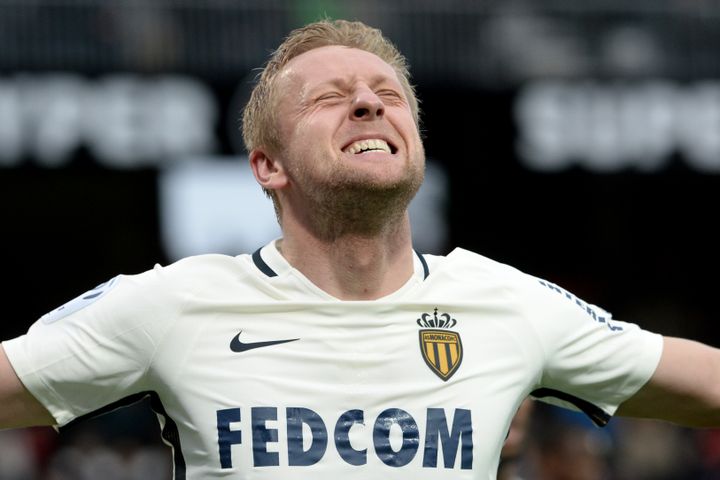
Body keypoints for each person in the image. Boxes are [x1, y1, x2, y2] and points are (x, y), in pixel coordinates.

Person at [0, 18, 719, 480]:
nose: (371, 104)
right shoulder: (166, 304)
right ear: (267, 166)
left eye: (388, 94)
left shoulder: (510, 303)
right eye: (329, 98)